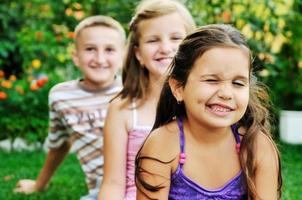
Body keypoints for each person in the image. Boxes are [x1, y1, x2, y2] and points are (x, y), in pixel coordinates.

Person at [135, 24, 282, 199]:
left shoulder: (256, 146)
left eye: (238, 83)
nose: (226, 94)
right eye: (212, 80)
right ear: (178, 87)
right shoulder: (163, 145)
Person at [14, 15, 126, 200]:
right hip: (102, 189)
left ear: (122, 56)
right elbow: (60, 143)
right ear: (76, 56)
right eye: (90, 49)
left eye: (109, 50)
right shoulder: (61, 96)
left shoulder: (132, 91)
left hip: (141, 180)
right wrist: (38, 185)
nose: (100, 58)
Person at [98, 0, 196, 199]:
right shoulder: (122, 109)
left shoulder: (201, 105)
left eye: (176, 38)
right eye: (153, 40)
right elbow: (113, 183)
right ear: (138, 54)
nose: (166, 47)